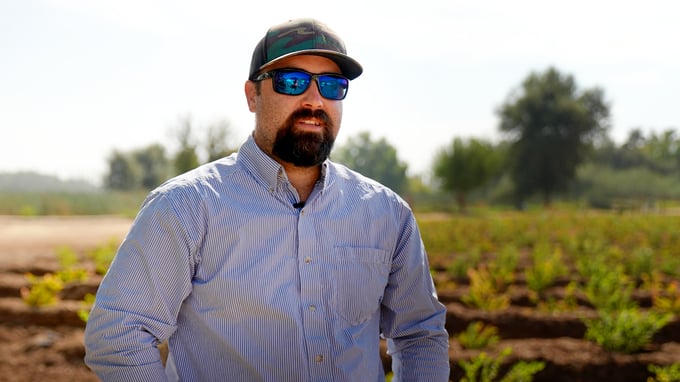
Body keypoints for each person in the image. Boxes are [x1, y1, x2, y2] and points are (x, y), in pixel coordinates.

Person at [84, 17, 450, 381]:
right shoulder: (186, 206)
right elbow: (119, 336)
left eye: (332, 85)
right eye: (292, 82)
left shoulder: (387, 214)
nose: (313, 100)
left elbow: (420, 335)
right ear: (252, 95)